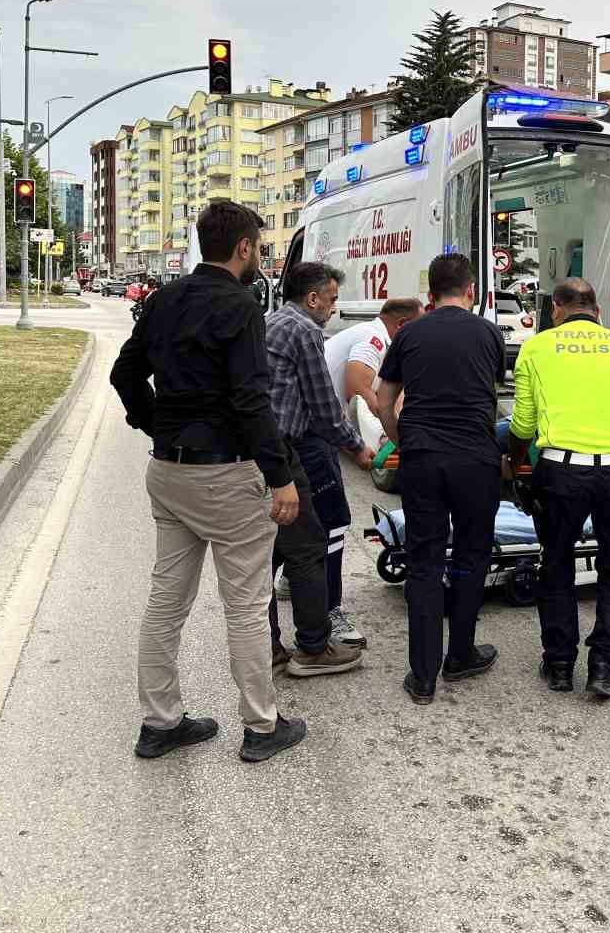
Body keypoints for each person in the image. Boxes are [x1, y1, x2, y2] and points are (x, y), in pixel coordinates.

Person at [109, 200, 307, 763]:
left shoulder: (163, 300)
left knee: (165, 601)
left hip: (168, 472)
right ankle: (262, 726)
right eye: (259, 246)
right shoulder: (241, 306)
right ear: (244, 247)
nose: (260, 255)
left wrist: (158, 424)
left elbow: (125, 373)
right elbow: (251, 399)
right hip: (226, 475)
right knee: (245, 604)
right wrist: (280, 477)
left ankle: (160, 721)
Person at [506, 278, 610, 698]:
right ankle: (604, 664)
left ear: (556, 309)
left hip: (562, 471)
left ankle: (560, 663)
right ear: (598, 311)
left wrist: (517, 460)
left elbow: (523, 423)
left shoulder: (537, 347)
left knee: (557, 563)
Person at [375, 253, 505, 705]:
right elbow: (489, 392)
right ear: (471, 290)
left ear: (430, 294)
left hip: (424, 459)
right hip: (476, 460)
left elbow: (383, 400)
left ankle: (423, 675)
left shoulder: (409, 332)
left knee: (424, 561)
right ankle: (462, 655)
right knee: (472, 554)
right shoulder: (489, 332)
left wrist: (402, 440)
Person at [264, 262, 370, 676]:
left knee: (266, 553)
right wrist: (357, 446)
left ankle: (268, 646)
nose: (333, 306)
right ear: (312, 298)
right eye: (331, 298)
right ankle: (312, 647)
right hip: (288, 451)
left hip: (261, 450)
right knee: (307, 547)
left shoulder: (271, 321)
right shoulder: (304, 330)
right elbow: (325, 408)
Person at [317, 296, 425, 644]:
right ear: (404, 325)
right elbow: (357, 389)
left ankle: (294, 577)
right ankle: (326, 611)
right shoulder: (376, 338)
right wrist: (374, 438)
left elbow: (390, 392)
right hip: (314, 434)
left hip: (315, 430)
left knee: (310, 515)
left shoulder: (381, 339)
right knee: (333, 520)